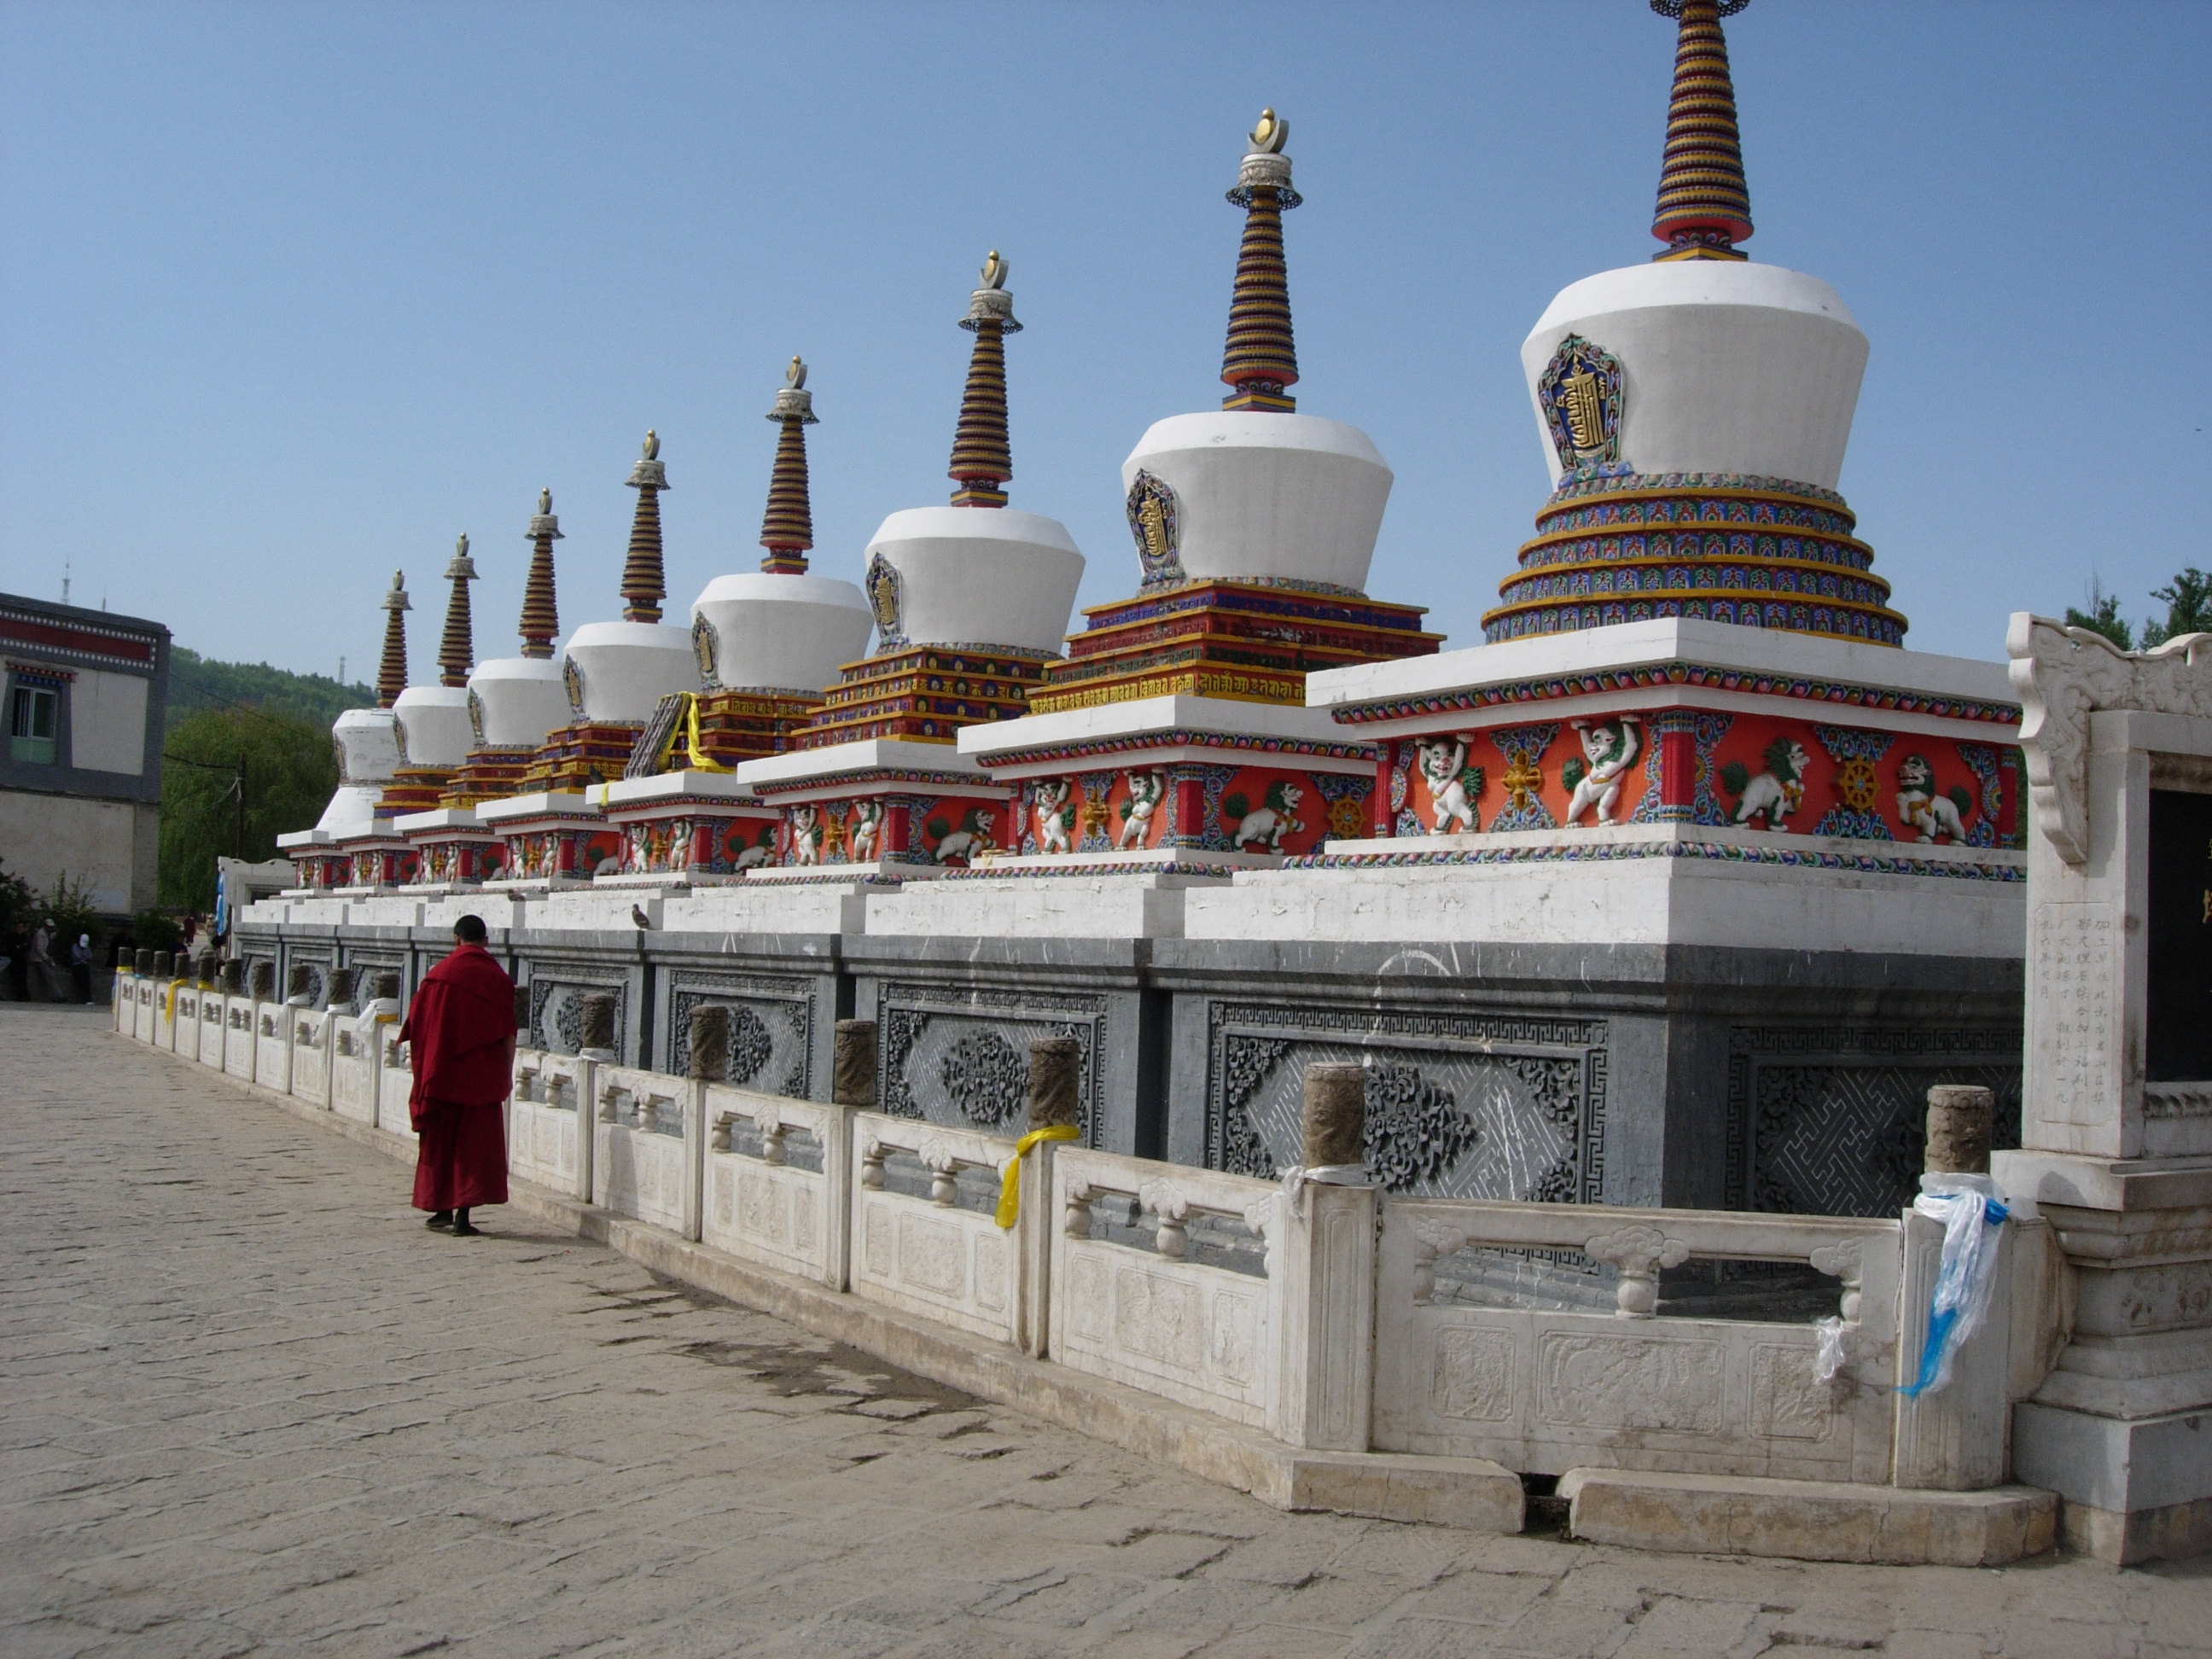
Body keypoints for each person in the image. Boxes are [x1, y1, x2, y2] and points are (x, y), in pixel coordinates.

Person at [397, 914, 515, 1236]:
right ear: (486, 942)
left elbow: (418, 1027)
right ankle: (463, 1216)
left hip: (443, 1074)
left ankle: (441, 1210)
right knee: (474, 1146)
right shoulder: (499, 979)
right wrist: (506, 1074)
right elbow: (508, 1035)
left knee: (442, 1142)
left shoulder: (439, 976)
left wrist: (424, 1072)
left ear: (456, 939)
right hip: (481, 1078)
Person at [69, 932, 92, 1004]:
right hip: (77, 966)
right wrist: (84, 959)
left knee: (87, 981)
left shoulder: (87, 947)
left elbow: (90, 956)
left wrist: (83, 958)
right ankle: (83, 999)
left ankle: (88, 999)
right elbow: (77, 957)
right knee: (81, 980)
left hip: (85, 966)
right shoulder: (75, 946)